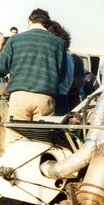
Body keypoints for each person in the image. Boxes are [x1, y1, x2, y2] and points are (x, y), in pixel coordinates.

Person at [0, 8, 66, 147]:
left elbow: (1, 66)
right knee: (41, 143)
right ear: (47, 24)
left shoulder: (15, 39)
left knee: (14, 140)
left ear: (29, 21)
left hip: (20, 96)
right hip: (45, 98)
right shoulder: (59, 43)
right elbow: (61, 75)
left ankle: (11, 168)